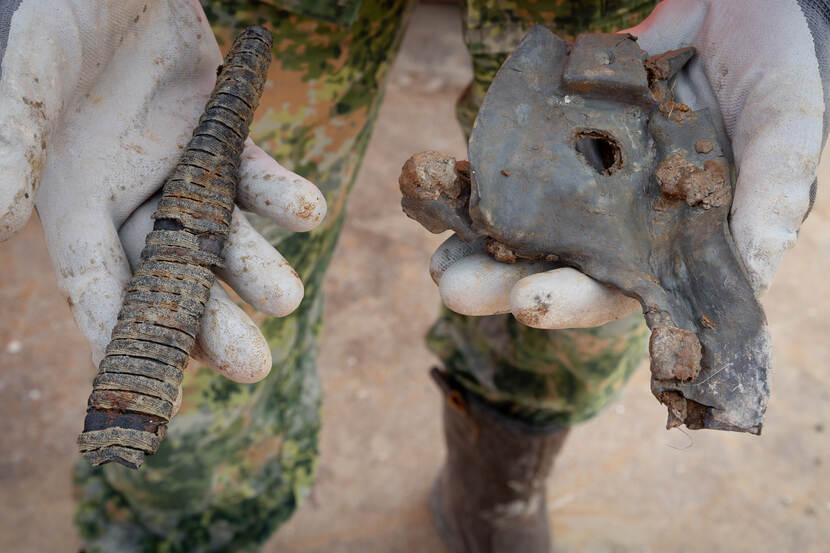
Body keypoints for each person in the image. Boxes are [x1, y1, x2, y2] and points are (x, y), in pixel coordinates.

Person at [0, 0, 825, 552]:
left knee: (577, 306)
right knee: (213, 349)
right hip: (230, 12)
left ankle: (495, 489)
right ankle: (191, 522)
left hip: (610, 11)